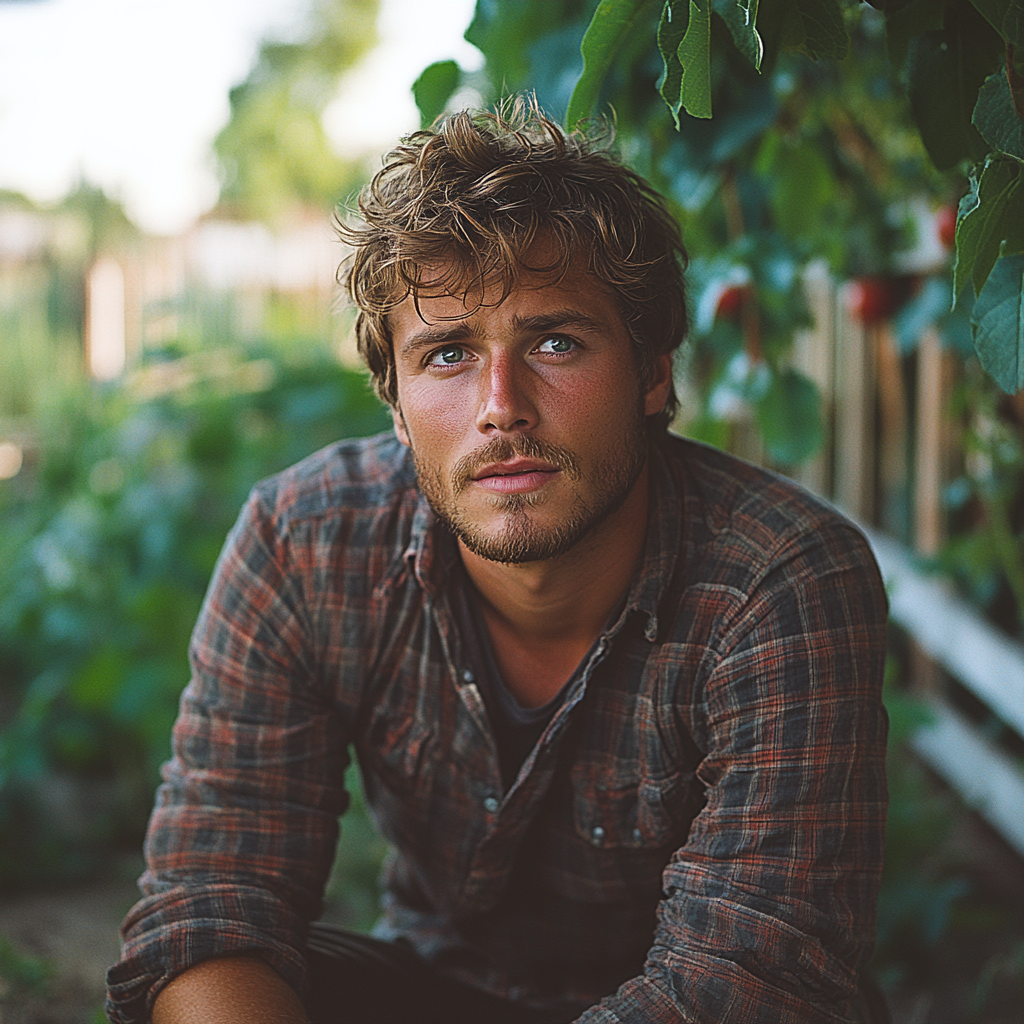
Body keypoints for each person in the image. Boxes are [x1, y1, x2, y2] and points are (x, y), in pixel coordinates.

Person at [106, 102, 890, 1024]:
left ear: (652, 372)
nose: (500, 406)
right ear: (395, 405)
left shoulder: (781, 581)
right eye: (447, 354)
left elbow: (750, 980)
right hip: (431, 989)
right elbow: (210, 899)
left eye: (555, 342)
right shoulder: (304, 541)